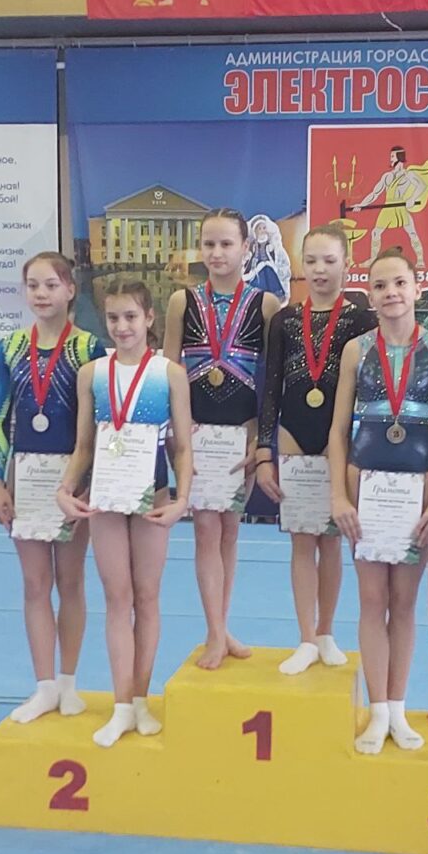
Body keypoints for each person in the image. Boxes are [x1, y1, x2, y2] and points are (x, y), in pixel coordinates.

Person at [329, 248, 428, 754]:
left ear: (417, 287)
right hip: (366, 488)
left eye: (399, 283)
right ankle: (377, 710)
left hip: (417, 490)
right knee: (371, 600)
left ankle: (398, 709)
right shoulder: (356, 351)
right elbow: (338, 431)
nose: (391, 293)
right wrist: (338, 495)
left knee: (403, 603)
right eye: (380, 285)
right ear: (368, 294)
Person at [57, 279, 193, 748]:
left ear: (149, 318)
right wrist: (64, 488)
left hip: (153, 494)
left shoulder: (169, 373)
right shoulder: (92, 374)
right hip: (107, 496)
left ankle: (140, 699)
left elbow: (182, 446)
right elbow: (83, 446)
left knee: (147, 596)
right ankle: (120, 706)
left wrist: (182, 499)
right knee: (117, 598)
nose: (122, 326)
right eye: (113, 318)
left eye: (131, 317)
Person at [0, 251, 106, 723]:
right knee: (35, 584)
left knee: (70, 581)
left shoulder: (89, 348)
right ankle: (43, 686)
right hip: (26, 475)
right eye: (33, 285)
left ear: (70, 290)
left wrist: (88, 482)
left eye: (51, 285)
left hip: (71, 479)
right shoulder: (10, 347)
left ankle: (69, 682)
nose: (41, 294)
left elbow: (96, 424)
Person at [256, 224, 376, 675]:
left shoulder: (361, 320)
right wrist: (264, 450)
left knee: (332, 538)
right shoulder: (285, 320)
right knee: (303, 540)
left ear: (347, 263)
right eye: (311, 261)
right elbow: (270, 388)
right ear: (300, 265)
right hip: (293, 432)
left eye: (329, 260)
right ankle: (306, 637)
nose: (320, 269)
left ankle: (327, 631)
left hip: (339, 436)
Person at [164, 208, 280, 669]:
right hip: (197, 435)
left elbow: (270, 383)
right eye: (209, 244)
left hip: (240, 436)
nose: (216, 253)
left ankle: (222, 624)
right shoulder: (183, 302)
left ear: (245, 249)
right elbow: (170, 371)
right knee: (205, 531)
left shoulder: (265, 306)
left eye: (226, 244)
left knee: (230, 531)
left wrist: (259, 438)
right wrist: (177, 432)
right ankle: (214, 632)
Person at [351, 146, 428, 268]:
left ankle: (421, 261)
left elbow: (421, 186)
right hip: (388, 207)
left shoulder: (408, 175)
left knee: (412, 232)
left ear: (399, 157)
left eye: (392, 156)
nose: (390, 159)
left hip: (400, 207)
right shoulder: (387, 176)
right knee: (376, 232)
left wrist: (412, 198)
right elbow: (375, 193)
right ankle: (373, 260)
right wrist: (361, 205)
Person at [243, 214, 292, 306]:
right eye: (260, 229)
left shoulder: (269, 243)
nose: (262, 230)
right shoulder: (254, 245)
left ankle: (274, 297)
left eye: (264, 228)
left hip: (269, 265)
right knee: (258, 281)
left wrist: (271, 250)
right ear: (255, 231)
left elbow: (275, 255)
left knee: (270, 279)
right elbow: (253, 256)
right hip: (258, 268)